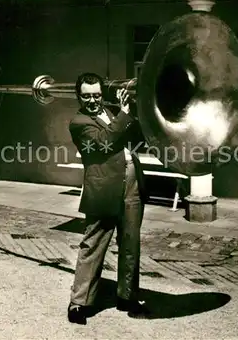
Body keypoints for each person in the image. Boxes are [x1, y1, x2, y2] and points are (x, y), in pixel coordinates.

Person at [67, 72, 150, 325]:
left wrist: (135, 111)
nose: (93, 100)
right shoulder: (79, 122)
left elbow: (135, 137)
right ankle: (79, 303)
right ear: (79, 97)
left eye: (97, 95)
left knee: (130, 243)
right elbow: (104, 143)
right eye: (87, 96)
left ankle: (127, 296)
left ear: (102, 94)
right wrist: (125, 113)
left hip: (131, 181)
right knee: (93, 244)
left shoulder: (113, 113)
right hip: (104, 187)